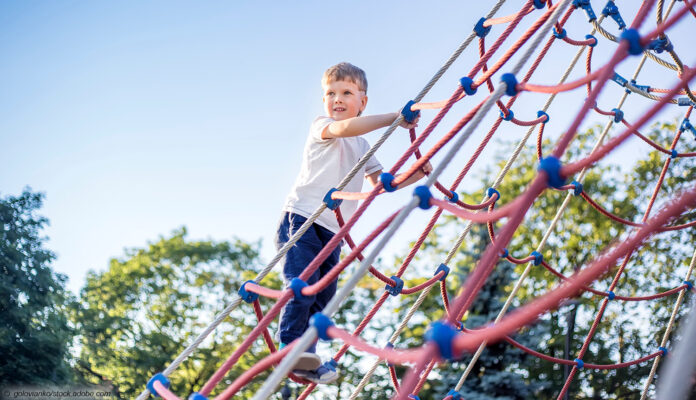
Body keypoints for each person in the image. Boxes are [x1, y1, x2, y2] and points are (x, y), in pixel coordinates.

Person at [276, 62, 431, 384]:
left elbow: (380, 182)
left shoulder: (363, 146)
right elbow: (345, 128)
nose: (337, 99)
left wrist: (413, 175)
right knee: (302, 286)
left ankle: (306, 356)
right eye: (330, 93)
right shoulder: (323, 126)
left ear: (363, 101)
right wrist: (394, 118)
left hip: (333, 231)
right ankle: (288, 348)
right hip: (303, 218)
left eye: (347, 92)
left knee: (323, 298)